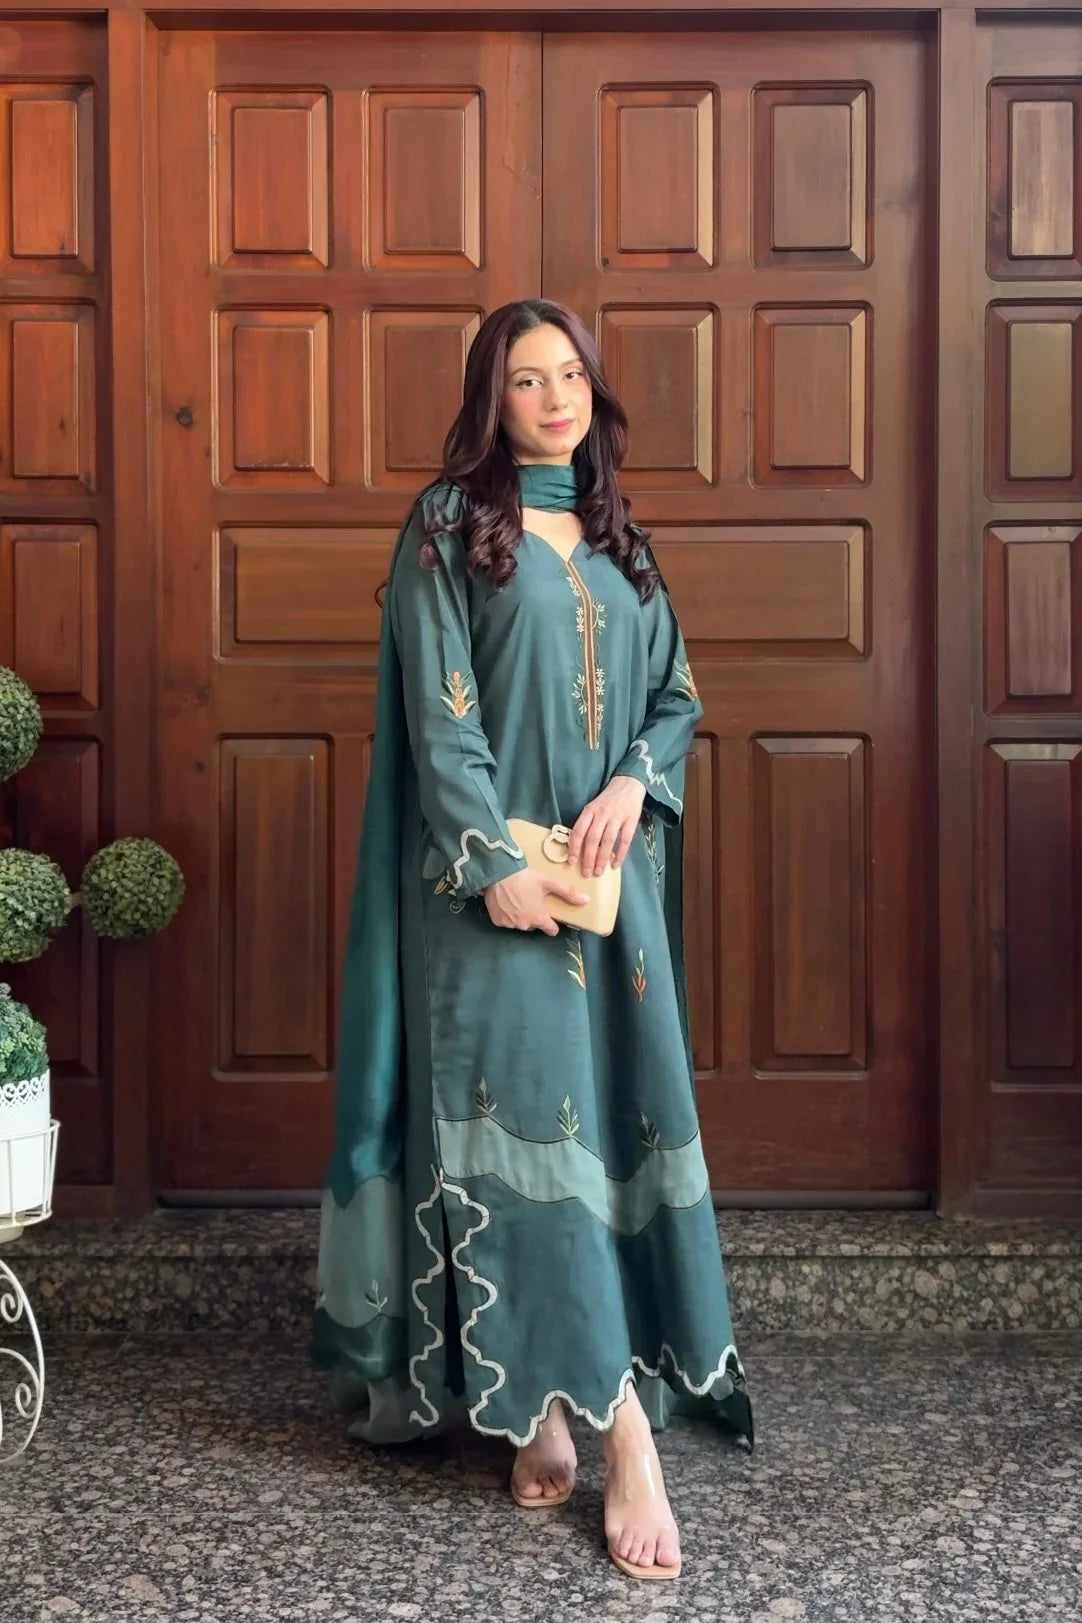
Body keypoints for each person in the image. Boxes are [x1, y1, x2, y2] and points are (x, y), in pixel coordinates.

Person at [311, 298, 753, 1581]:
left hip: (610, 904)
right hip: (490, 901)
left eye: (570, 376)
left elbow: (675, 693)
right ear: (488, 399)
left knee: (598, 1145)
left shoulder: (619, 535)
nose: (554, 397)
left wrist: (631, 784)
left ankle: (540, 1403)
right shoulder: (450, 527)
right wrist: (493, 863)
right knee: (531, 1151)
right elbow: (438, 717)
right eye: (525, 379)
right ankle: (626, 1446)